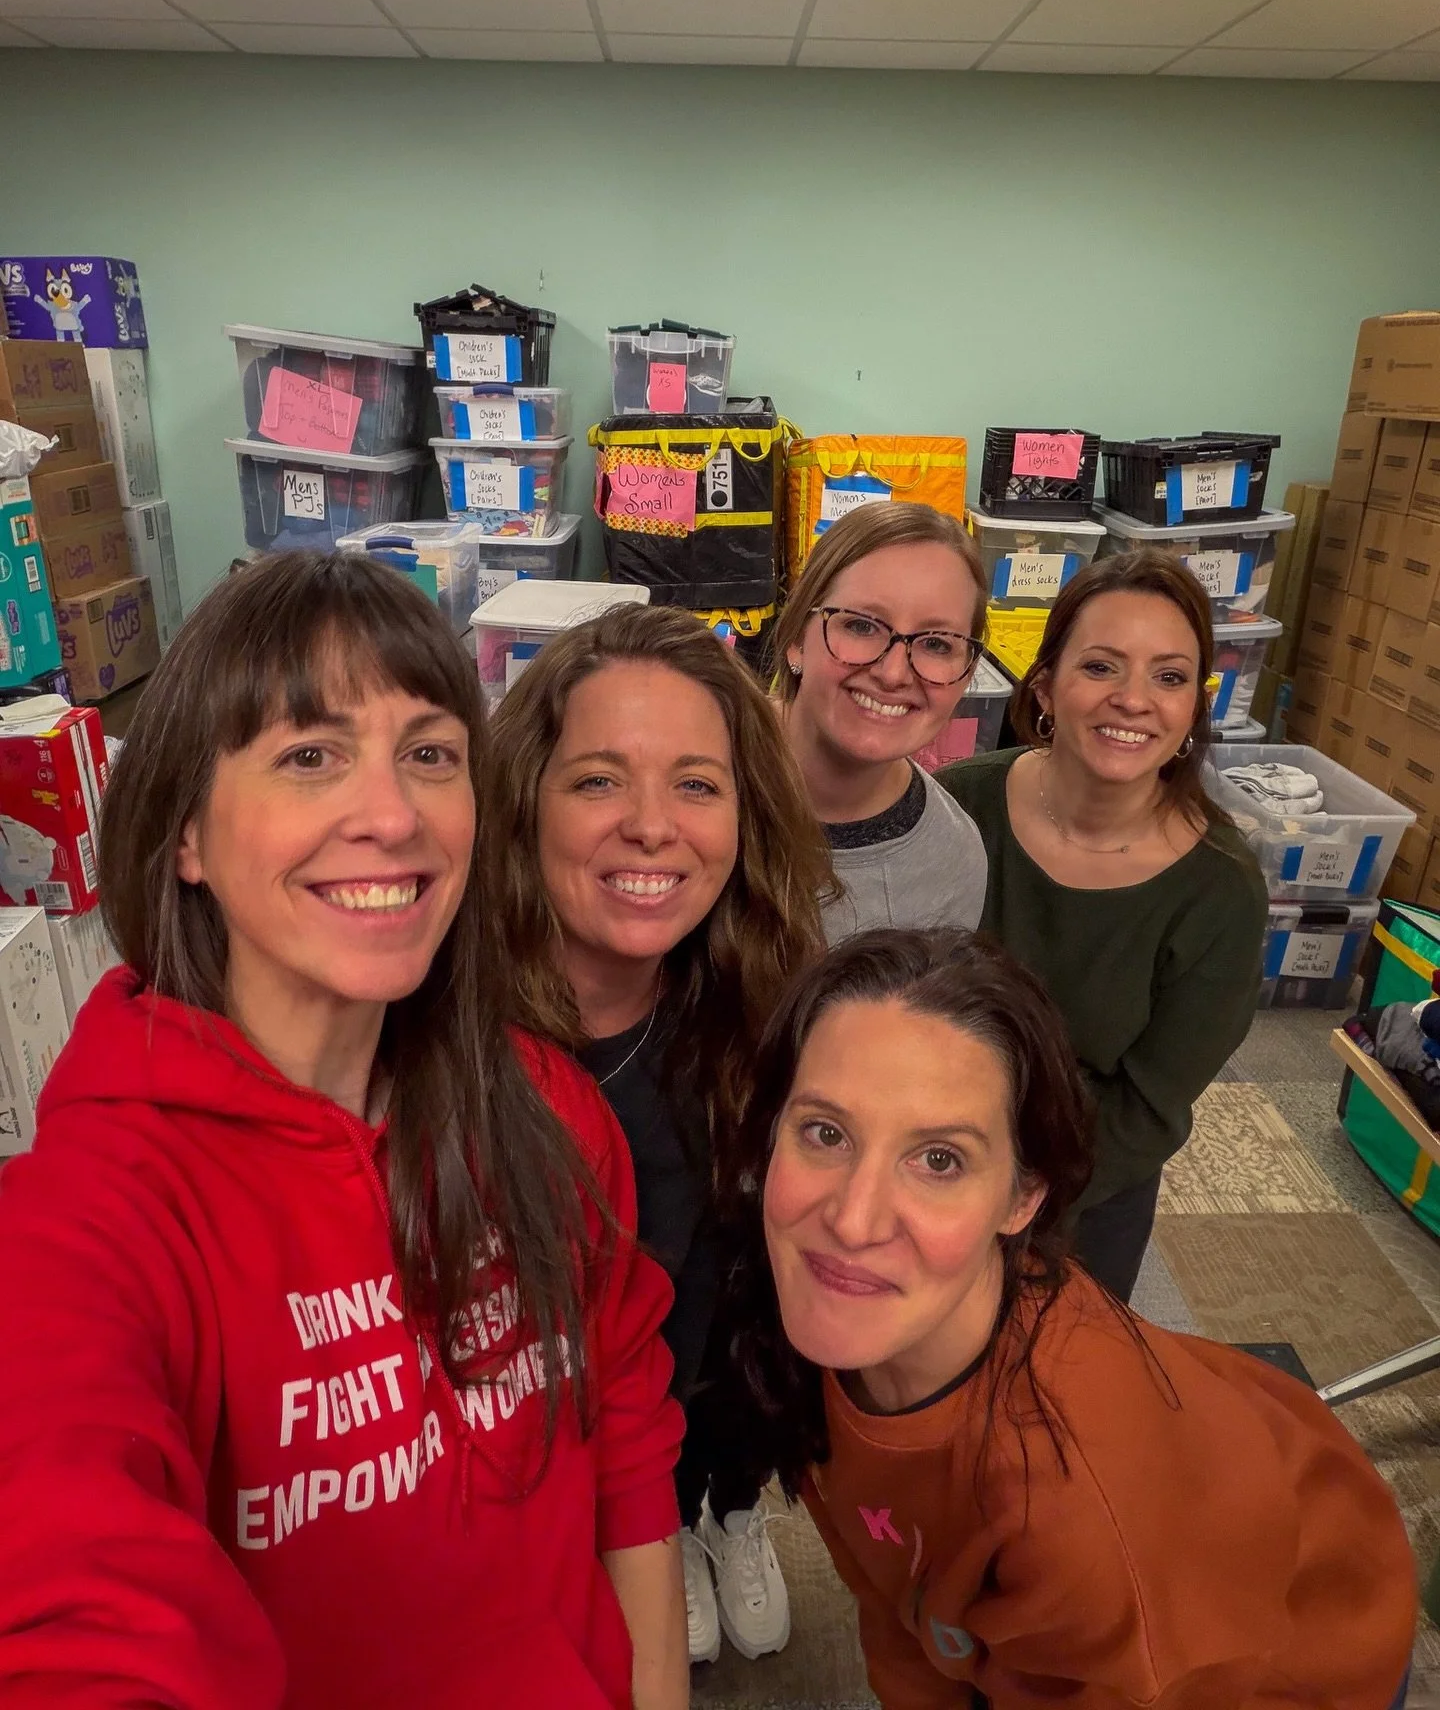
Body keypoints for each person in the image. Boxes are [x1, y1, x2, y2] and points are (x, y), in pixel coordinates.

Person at [0, 553, 688, 1710]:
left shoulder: (545, 1109)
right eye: (309, 756)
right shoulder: (88, 1222)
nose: (392, 814)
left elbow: (624, 1447)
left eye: (430, 754)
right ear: (187, 838)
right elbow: (71, 1596)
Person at [732, 927, 1417, 1710]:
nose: (852, 1221)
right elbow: (898, 1603)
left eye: (939, 1160)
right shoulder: (832, 1325)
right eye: (825, 1132)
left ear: (1025, 1198)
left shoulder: (1074, 1507)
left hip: (1280, 1664)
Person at [485, 602, 834, 1668]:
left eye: (697, 783)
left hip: (657, 1430)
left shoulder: (748, 1012)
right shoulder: (435, 1034)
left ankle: (703, 1517)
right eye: (598, 780)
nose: (652, 825)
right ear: (526, 803)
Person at [936, 550, 1268, 1302]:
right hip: (923, 1146)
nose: (1134, 700)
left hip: (1082, 1185)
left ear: (1194, 709)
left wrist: (1013, 1198)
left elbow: (1148, 1109)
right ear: (1046, 685)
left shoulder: (1221, 889)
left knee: (1049, 1400)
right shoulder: (957, 805)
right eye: (1102, 667)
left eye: (1170, 677)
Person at [770, 502, 990, 942]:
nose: (892, 673)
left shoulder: (951, 863)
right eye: (861, 626)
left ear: (965, 674)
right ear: (797, 639)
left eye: (936, 644)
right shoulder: (696, 766)